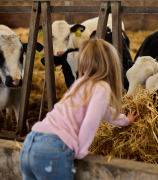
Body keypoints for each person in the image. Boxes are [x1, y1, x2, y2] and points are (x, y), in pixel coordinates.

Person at [19, 39, 138, 180]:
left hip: (30, 143)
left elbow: (104, 111)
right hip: (54, 148)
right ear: (112, 66)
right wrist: (81, 150)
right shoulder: (102, 87)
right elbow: (91, 120)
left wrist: (125, 120)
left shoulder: (79, 84)